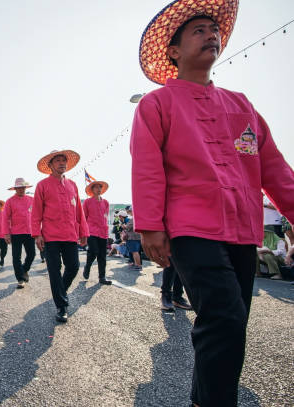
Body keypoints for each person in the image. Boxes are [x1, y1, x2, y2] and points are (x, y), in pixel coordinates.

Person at [132, 1, 294, 405]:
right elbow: (148, 168)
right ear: (173, 51)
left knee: (231, 324)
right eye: (198, 31)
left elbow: (275, 169)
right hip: (190, 228)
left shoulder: (242, 105)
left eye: (213, 30)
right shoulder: (157, 104)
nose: (211, 35)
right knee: (224, 317)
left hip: (241, 229)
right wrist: (151, 225)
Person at [31, 150, 88, 322]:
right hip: (51, 235)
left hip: (70, 234)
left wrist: (84, 232)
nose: (62, 163)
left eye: (64, 160)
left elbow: (79, 210)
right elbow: (36, 213)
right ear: (50, 165)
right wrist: (36, 234)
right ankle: (61, 306)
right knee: (54, 271)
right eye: (58, 160)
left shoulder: (73, 185)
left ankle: (60, 291)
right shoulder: (42, 185)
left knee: (74, 267)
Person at [3, 177, 35, 289]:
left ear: (25, 188)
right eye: (19, 188)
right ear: (15, 189)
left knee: (32, 254)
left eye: (23, 187)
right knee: (16, 257)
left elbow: (37, 216)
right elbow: (5, 218)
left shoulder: (32, 200)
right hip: (16, 232)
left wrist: (39, 231)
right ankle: (20, 279)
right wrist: (6, 233)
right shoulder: (10, 201)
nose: (21, 189)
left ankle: (24, 270)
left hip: (30, 232)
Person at [82, 179, 112, 285]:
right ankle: (87, 266)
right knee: (94, 251)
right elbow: (83, 218)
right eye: (96, 187)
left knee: (102, 255)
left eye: (100, 187)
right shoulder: (87, 202)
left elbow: (105, 217)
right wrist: (83, 233)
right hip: (91, 231)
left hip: (103, 232)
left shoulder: (106, 202)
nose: (98, 189)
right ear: (92, 189)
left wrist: (106, 229)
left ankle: (102, 277)